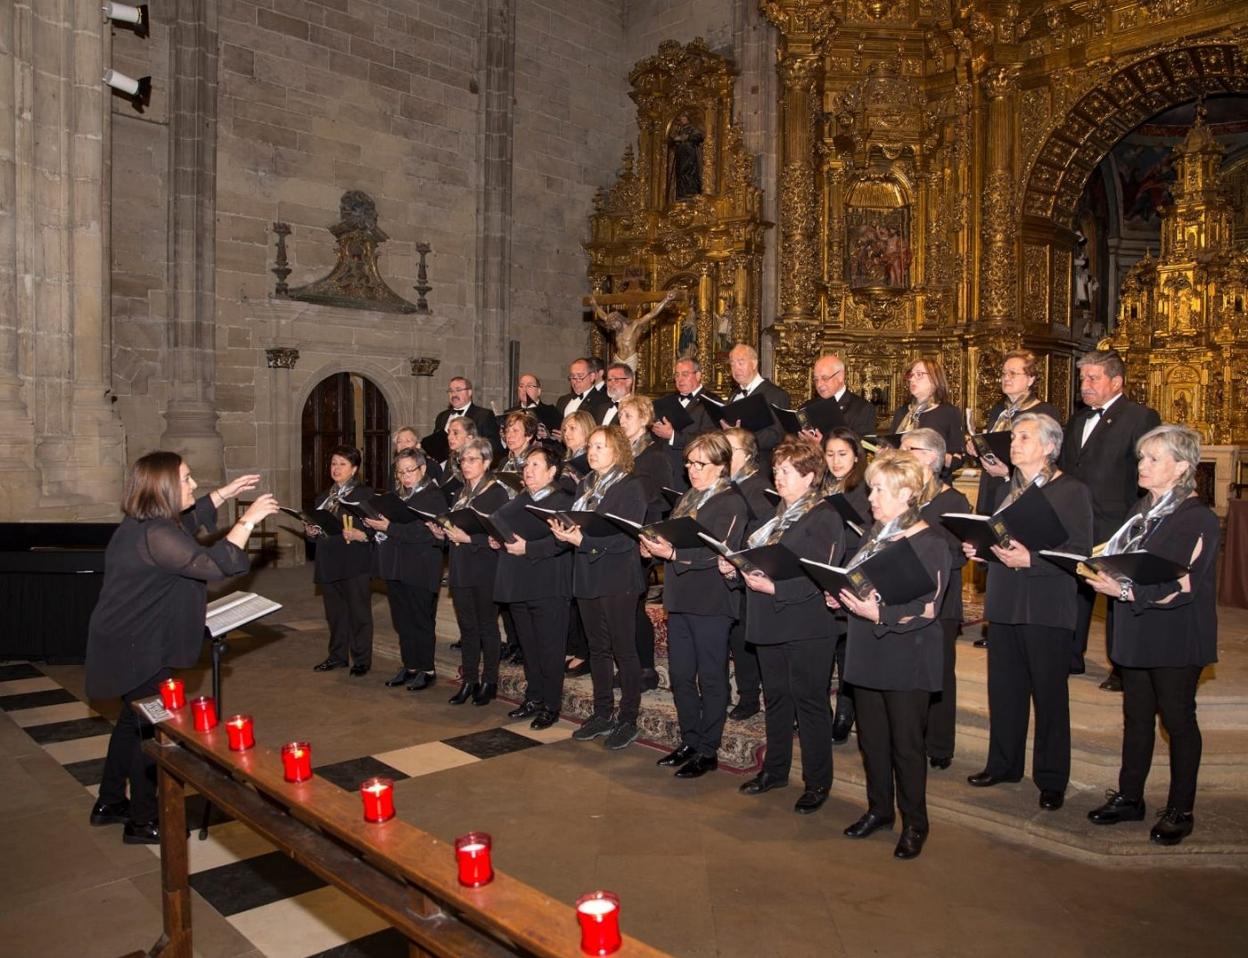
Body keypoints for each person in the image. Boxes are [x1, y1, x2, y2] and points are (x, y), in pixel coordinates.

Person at [86, 454, 278, 843]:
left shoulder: (150, 523)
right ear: (165, 489)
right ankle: (142, 821)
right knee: (151, 731)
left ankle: (108, 802)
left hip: (126, 639)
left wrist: (225, 493)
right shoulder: (156, 535)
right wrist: (248, 520)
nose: (193, 485)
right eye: (187, 480)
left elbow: (189, 522)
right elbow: (213, 564)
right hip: (138, 647)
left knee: (132, 719)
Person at [1085, 425, 1219, 845]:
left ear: (1181, 467)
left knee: (1178, 721)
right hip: (1137, 628)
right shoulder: (1143, 510)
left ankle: (1181, 808)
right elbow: (1122, 557)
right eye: (1141, 458)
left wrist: (1122, 589)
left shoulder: (1196, 517)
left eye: (1152, 459)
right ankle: (1130, 797)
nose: (1142, 465)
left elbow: (1182, 586)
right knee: (1137, 718)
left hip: (1175, 635)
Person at [963, 413, 1093, 811]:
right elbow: (1004, 541)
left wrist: (1031, 560)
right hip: (1004, 602)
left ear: (1050, 446)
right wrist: (981, 550)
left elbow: (1079, 554)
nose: (1014, 443)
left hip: (1046, 606)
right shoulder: (1010, 488)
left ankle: (1052, 778)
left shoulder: (1071, 491)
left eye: (1023, 437)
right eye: (1014, 436)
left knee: (1050, 697)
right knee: (1004, 691)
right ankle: (1003, 763)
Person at [830, 449, 950, 860]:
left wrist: (877, 611)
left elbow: (928, 607)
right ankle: (879, 810)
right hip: (867, 651)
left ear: (907, 493)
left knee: (906, 747)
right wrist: (842, 596)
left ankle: (915, 823)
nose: (871, 498)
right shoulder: (874, 534)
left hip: (907, 657)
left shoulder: (930, 542)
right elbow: (859, 579)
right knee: (873, 741)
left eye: (879, 490)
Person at [720, 437, 844, 814]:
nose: (779, 476)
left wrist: (775, 586)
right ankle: (774, 770)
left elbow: (820, 576)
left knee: (809, 704)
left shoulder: (824, 516)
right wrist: (734, 568)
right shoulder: (775, 516)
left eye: (786, 471)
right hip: (770, 619)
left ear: (809, 476)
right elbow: (759, 560)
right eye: (777, 470)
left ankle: (817, 782)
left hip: (806, 624)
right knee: (775, 699)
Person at [641, 433, 747, 778]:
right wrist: (652, 545)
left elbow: (719, 552)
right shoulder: (688, 497)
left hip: (712, 599)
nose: (691, 470)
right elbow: (673, 534)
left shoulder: (731, 502)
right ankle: (689, 739)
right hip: (680, 595)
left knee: (711, 677)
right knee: (681, 675)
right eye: (689, 463)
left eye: (700, 464)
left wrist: (671, 554)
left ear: (720, 466)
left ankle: (708, 748)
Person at [1058, 349, 1161, 688]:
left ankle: (1121, 667)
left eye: (1092, 378)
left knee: (1117, 595)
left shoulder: (1139, 417)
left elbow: (1145, 469)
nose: (1084, 385)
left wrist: (1138, 520)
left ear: (1116, 382)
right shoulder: (1076, 419)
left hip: (1116, 520)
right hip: (1077, 520)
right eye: (1082, 379)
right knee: (1077, 589)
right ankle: (1071, 655)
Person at [551, 426, 649, 751]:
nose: (592, 452)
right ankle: (603, 712)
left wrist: (583, 540)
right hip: (589, 575)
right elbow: (582, 525)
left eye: (600, 446)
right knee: (597, 649)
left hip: (619, 577)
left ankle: (628, 719)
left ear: (618, 450)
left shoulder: (631, 486)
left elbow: (625, 537)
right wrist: (564, 530)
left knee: (624, 649)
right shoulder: (586, 484)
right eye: (590, 446)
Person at [900, 429, 970, 770]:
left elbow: (958, 555)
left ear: (930, 457)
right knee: (910, 670)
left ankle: (940, 743)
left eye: (907, 448)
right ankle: (911, 735)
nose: (900, 453)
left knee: (940, 670)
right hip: (903, 594)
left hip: (940, 598)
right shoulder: (904, 497)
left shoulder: (953, 501)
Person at [492, 445, 574, 730]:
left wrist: (527, 547)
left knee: (550, 648)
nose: (528, 470)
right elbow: (501, 524)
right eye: (527, 465)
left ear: (552, 471)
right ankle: (534, 696)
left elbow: (564, 541)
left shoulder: (563, 500)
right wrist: (497, 538)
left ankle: (551, 705)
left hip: (549, 584)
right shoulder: (520, 498)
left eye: (536, 465)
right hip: (519, 582)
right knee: (529, 646)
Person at [428, 436, 512, 706]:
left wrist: (470, 539)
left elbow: (499, 537)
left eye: (472, 459)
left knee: (487, 626)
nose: (466, 464)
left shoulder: (497, 492)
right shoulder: (460, 492)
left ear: (487, 462)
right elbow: (457, 529)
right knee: (467, 627)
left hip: (486, 567)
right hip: (461, 566)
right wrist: (441, 531)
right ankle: (469, 680)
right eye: (463, 459)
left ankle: (489, 680)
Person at [364, 449, 444, 691]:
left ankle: (427, 669)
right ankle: (410, 665)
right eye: (400, 472)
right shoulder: (398, 496)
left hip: (421, 566)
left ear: (422, 469)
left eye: (410, 471)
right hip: (397, 566)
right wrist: (377, 526)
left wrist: (390, 527)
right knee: (402, 619)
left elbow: (423, 532)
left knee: (421, 619)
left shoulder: (434, 496)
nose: (405, 476)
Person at [619, 394, 673, 691]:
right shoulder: (622, 453)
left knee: (634, 605)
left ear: (643, 419)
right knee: (621, 607)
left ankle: (646, 669)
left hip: (640, 537)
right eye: (620, 416)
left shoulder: (655, 455)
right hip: (620, 534)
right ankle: (629, 665)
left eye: (627, 416)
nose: (621, 421)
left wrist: (649, 538)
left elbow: (662, 500)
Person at [306, 446, 376, 676]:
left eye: (342, 464)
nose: (335, 468)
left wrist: (361, 535)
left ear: (354, 469)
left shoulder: (363, 495)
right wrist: (311, 531)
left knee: (358, 613)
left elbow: (376, 529)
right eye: (333, 463)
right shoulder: (324, 496)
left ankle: (361, 660)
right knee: (335, 614)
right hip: (328, 560)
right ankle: (337, 656)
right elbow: (318, 525)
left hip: (354, 560)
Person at [966, 350, 1062, 517]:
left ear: (1030, 379)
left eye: (1013, 373)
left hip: (1024, 489)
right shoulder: (999, 411)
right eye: (1003, 373)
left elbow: (1048, 461)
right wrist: (976, 449)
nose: (1006, 378)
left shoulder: (1043, 412)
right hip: (991, 486)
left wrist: (1007, 472)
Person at [822, 427, 870, 743]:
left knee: (847, 648)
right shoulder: (822, 485)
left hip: (853, 567)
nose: (836, 461)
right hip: (825, 566)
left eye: (842, 454)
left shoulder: (864, 488)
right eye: (830, 454)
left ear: (856, 455)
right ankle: (820, 710)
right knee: (826, 643)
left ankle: (845, 714)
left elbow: (870, 530)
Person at [723, 427, 770, 721]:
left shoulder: (759, 486)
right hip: (725, 570)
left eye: (730, 451)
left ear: (748, 455)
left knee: (747, 638)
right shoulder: (725, 484)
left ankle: (751, 695)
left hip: (749, 572)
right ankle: (741, 693)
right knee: (733, 636)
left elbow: (760, 533)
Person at [889, 355, 964, 480]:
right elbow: (892, 446)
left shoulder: (949, 412)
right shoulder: (902, 412)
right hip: (902, 481)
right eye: (911, 375)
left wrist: (940, 458)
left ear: (935, 379)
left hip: (934, 483)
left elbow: (959, 457)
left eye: (919, 374)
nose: (912, 379)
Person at [651, 356, 721, 488]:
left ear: (698, 375)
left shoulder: (711, 402)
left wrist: (672, 436)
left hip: (689, 470)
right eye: (677, 375)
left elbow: (709, 439)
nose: (680, 379)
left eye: (685, 374)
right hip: (663, 467)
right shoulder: (668, 400)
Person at [722, 343, 791, 460]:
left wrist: (741, 436)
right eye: (732, 364)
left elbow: (776, 436)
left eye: (740, 363)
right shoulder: (733, 395)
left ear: (754, 363)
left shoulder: (776, 394)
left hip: (761, 464)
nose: (735, 368)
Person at [801, 354, 877, 442]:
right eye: (816, 380)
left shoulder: (863, 409)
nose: (819, 384)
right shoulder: (808, 405)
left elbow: (864, 448)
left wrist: (824, 444)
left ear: (840, 377)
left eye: (825, 378)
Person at [431, 376, 502, 458]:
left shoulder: (485, 415)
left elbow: (494, 445)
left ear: (469, 392)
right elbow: (435, 446)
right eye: (450, 391)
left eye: (458, 390)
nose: (454, 394)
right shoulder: (442, 417)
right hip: (444, 467)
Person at [556, 357, 610, 422]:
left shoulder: (602, 401)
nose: (575, 381)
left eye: (580, 376)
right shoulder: (562, 400)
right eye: (572, 376)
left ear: (592, 377)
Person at [499, 410, 539, 475]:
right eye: (507, 431)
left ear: (529, 435)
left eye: (515, 431)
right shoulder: (504, 462)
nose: (509, 435)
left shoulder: (535, 462)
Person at [600, 362, 636, 427]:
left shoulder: (635, 408)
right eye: (609, 380)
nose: (610, 384)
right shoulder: (601, 408)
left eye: (616, 379)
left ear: (628, 381)